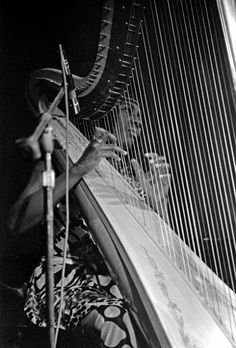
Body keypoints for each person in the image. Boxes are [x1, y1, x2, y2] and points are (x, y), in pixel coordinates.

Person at [6, 98, 171, 348]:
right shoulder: (62, 155)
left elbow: (161, 249)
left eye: (140, 114)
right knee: (118, 322)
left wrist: (159, 204)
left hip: (120, 280)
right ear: (103, 113)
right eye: (128, 109)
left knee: (169, 320)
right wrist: (80, 168)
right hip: (68, 279)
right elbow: (15, 222)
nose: (137, 119)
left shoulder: (133, 175)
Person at [111, 98, 171, 223]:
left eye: (139, 117)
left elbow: (163, 238)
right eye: (127, 110)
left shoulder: (135, 181)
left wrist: (159, 204)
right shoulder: (78, 150)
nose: (138, 122)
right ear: (107, 113)